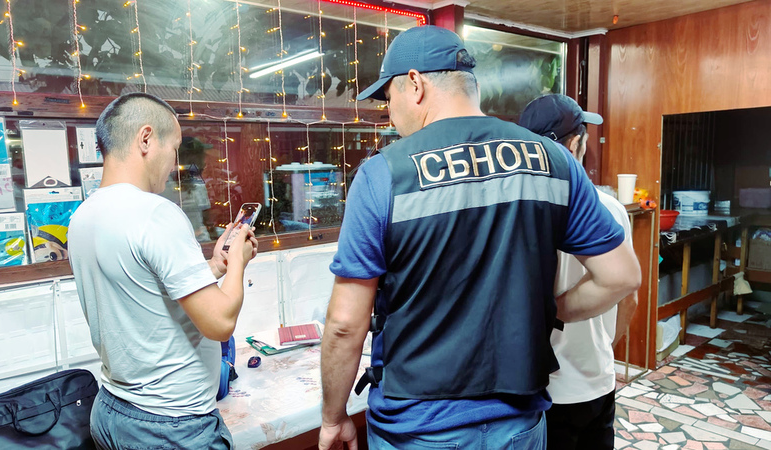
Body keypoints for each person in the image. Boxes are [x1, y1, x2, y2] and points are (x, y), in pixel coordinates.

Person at [318, 25, 642, 450]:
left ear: (414, 84)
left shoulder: (385, 173)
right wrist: (550, 310)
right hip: (520, 425)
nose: (389, 114)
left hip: (419, 429)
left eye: (388, 98)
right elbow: (621, 276)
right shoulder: (554, 160)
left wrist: (333, 416)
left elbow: (345, 326)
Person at [67, 93, 257, 449]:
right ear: (146, 139)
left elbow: (142, 288)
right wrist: (238, 263)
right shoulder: (155, 213)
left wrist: (216, 265)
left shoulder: (83, 216)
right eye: (174, 149)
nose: (174, 164)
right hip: (169, 425)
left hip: (111, 411)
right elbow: (219, 322)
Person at [520, 94, 639, 450]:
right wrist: (605, 348)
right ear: (576, 145)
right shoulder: (610, 209)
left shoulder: (519, 212)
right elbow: (629, 298)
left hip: (542, 387)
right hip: (597, 380)